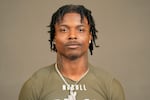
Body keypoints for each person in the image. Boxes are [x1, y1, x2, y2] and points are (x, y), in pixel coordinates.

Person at [19, 4, 125, 100]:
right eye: (64, 30)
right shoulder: (34, 85)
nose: (72, 35)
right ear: (54, 38)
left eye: (81, 30)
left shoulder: (110, 86)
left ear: (90, 37)